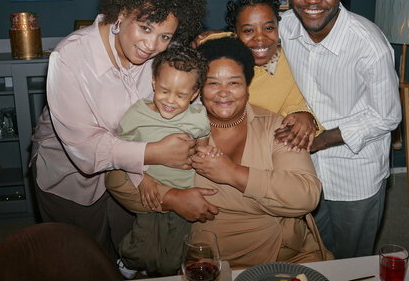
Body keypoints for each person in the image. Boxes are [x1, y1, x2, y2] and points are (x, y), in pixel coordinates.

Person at [30, 0, 209, 261]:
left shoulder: (157, 59)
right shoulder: (69, 58)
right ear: (122, 12)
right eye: (145, 28)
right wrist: (153, 154)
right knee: (84, 261)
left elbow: (176, 100)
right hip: (71, 180)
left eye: (164, 36)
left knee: (131, 255)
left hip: (128, 175)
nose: (151, 45)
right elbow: (86, 152)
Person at [106, 36, 332, 270]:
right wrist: (172, 198)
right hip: (207, 263)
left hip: (284, 256)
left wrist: (232, 173)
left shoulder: (274, 127)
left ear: (247, 86)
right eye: (213, 83)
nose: (223, 93)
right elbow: (115, 179)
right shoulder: (177, 127)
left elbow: (307, 195)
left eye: (234, 83)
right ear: (197, 90)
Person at [278, 0, 402, 258]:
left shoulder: (369, 45)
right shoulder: (283, 26)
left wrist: (321, 140)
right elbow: (248, 34)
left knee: (350, 261)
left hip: (355, 174)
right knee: (310, 253)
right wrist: (214, 37)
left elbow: (386, 116)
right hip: (303, 169)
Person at [113, 45, 210, 278]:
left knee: (173, 253)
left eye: (181, 95)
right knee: (143, 239)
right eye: (164, 90)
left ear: (195, 93)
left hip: (184, 193)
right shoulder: (135, 115)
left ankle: (162, 272)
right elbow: (121, 152)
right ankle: (129, 261)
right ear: (154, 83)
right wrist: (142, 178)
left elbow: (203, 146)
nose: (170, 101)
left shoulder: (198, 118)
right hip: (151, 191)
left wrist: (204, 156)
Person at [198, 0, 323, 151]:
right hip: (213, 142)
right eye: (249, 30)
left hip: (259, 148)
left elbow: (297, 104)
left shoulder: (289, 62)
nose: (260, 37)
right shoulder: (217, 52)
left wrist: (305, 116)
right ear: (235, 33)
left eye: (269, 28)